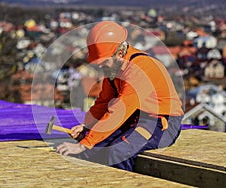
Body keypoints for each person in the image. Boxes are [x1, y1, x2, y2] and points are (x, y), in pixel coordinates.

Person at [56, 21, 184, 171]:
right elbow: (104, 102)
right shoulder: (114, 69)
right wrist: (87, 126)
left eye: (104, 61)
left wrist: (84, 144)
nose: (100, 66)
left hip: (160, 122)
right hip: (134, 119)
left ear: (120, 52)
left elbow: (120, 109)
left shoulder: (141, 68)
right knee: (95, 149)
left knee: (118, 152)